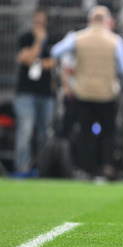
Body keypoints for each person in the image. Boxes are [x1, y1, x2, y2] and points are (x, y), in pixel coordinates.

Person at [51, 5, 123, 179]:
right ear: (107, 21)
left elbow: (55, 51)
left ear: (89, 20)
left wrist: (72, 67)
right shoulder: (115, 40)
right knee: (108, 132)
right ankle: (106, 165)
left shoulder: (77, 37)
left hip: (83, 93)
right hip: (107, 94)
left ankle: (86, 168)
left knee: (85, 132)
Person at [13, 9, 56, 177]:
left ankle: (42, 167)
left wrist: (34, 60)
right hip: (26, 92)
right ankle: (22, 167)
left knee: (44, 132)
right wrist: (39, 41)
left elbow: (53, 63)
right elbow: (24, 57)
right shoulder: (25, 37)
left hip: (45, 93)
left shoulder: (52, 39)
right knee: (25, 129)